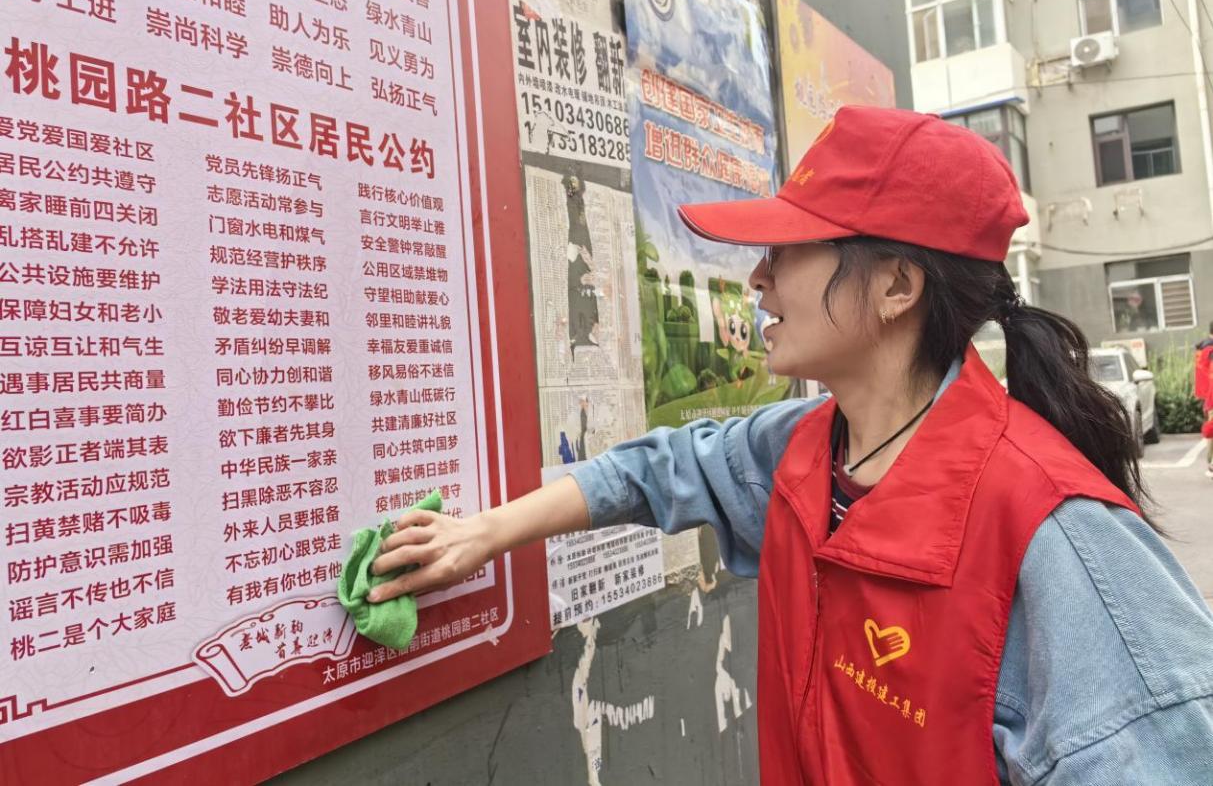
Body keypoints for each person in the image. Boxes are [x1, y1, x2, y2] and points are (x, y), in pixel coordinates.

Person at [368, 107, 1213, 784]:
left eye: (788, 249)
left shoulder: (1059, 535)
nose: (758, 278)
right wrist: (479, 536)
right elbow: (656, 471)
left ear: (895, 284)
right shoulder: (805, 448)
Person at [1195, 325, 1213, 476]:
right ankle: (1211, 464)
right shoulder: (1210, 350)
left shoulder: (1202, 349)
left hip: (1206, 395)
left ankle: (1210, 464)